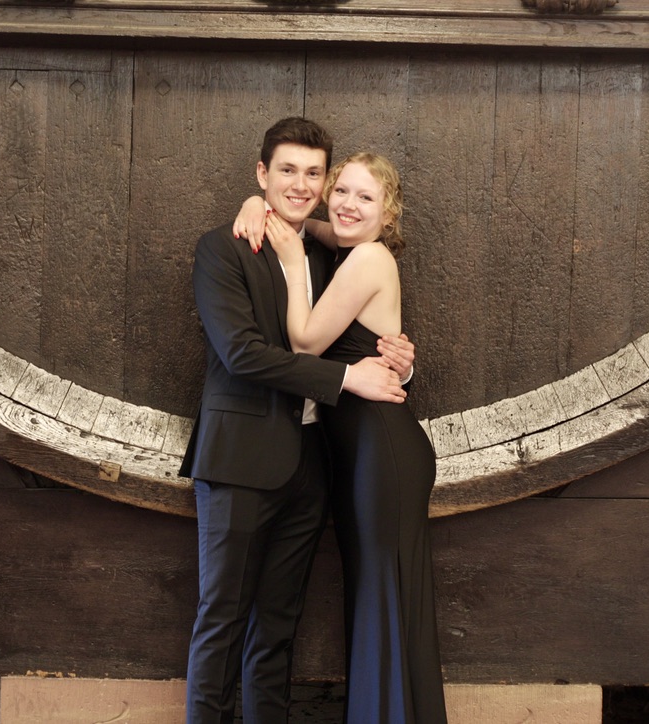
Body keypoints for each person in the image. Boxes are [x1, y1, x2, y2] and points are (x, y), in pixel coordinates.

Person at [179, 118, 417, 724]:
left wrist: (399, 362)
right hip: (238, 460)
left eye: (314, 173)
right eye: (286, 170)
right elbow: (243, 355)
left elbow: (362, 330)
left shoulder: (330, 249)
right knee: (222, 624)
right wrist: (346, 379)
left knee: (277, 633)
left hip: (310, 465)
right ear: (262, 173)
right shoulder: (222, 248)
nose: (301, 184)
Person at [236, 153, 447, 723]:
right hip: (362, 451)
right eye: (342, 191)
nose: (349, 205)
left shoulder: (370, 258)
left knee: (384, 600)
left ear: (389, 214)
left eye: (366, 197)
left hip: (383, 451)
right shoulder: (349, 244)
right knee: (380, 600)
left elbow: (305, 343)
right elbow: (306, 221)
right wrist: (257, 203)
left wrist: (290, 262)